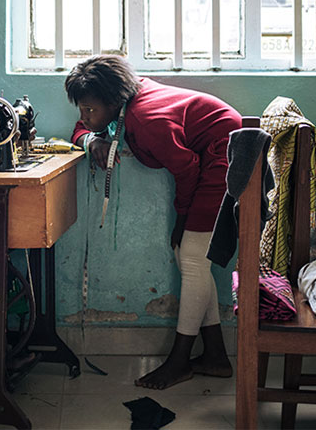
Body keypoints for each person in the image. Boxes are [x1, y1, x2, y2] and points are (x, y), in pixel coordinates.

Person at [65, 55, 241, 389]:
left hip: (223, 154)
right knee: (190, 259)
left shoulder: (146, 120)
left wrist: (184, 218)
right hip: (206, 155)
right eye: (82, 109)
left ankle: (179, 361)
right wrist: (92, 139)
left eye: (90, 110)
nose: (84, 117)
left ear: (113, 102)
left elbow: (187, 170)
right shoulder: (124, 97)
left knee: (190, 258)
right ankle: (215, 355)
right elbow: (81, 129)